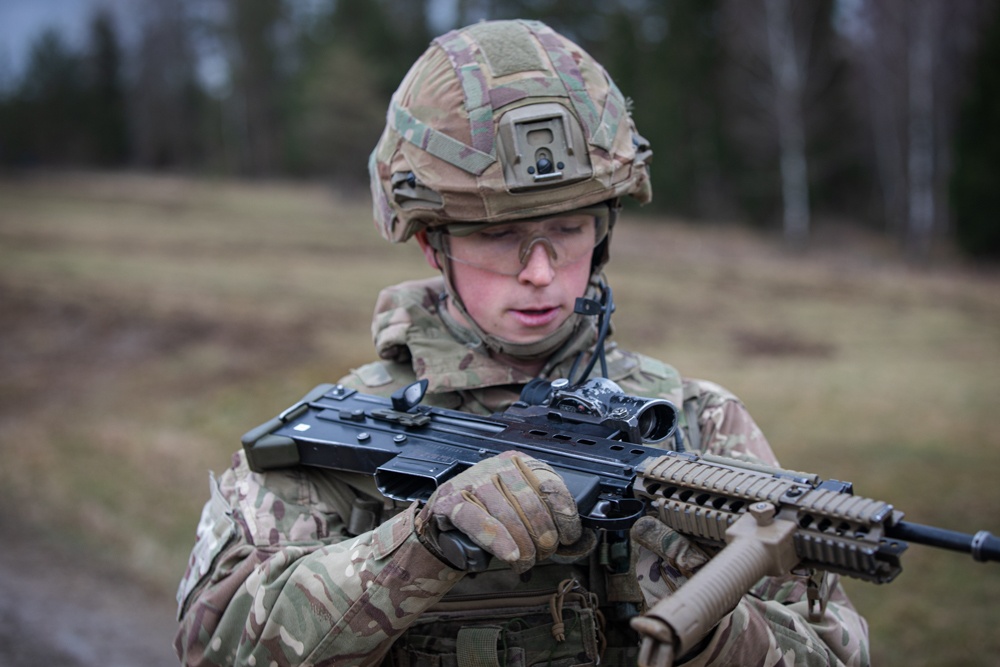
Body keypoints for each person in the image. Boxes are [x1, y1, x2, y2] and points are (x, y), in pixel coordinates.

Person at [174, 19, 869, 667]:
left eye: (567, 230)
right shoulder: (340, 432)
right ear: (430, 242)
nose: (538, 270)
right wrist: (422, 545)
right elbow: (214, 642)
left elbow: (836, 650)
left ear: (603, 234)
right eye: (500, 234)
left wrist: (705, 613)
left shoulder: (696, 423)